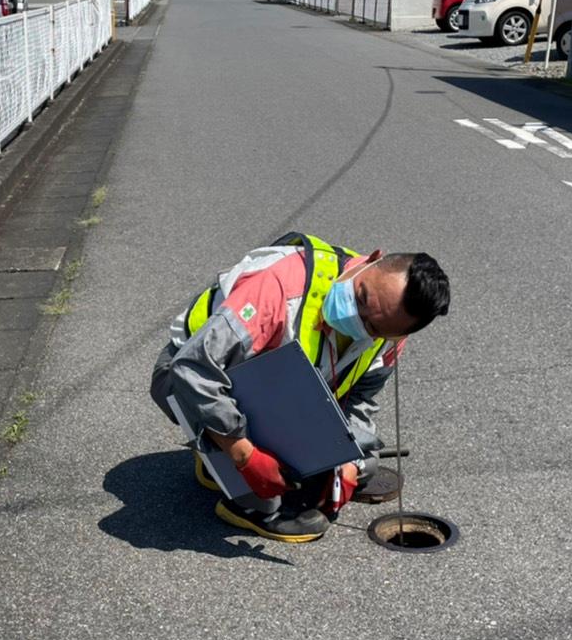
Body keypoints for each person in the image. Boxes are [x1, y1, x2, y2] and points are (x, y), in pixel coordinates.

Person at [150, 232, 450, 543]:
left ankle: (219, 453)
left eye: (372, 328)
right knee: (265, 490)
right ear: (372, 259)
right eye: (360, 298)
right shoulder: (283, 286)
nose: (358, 320)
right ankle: (239, 488)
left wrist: (346, 459)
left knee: (363, 463)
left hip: (278, 392)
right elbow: (193, 367)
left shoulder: (390, 336)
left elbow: (360, 401)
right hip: (185, 374)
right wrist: (243, 454)